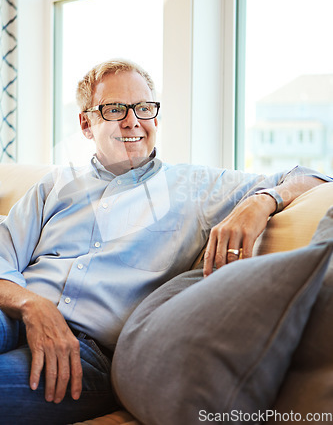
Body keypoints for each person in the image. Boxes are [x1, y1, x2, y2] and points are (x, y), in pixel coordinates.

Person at [0, 59, 330, 424]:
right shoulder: (53, 186)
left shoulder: (195, 189)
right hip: (14, 312)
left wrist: (262, 200)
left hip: (84, 352)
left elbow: (313, 177)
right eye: (114, 109)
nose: (132, 121)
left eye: (143, 108)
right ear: (86, 123)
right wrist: (32, 306)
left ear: (155, 118)